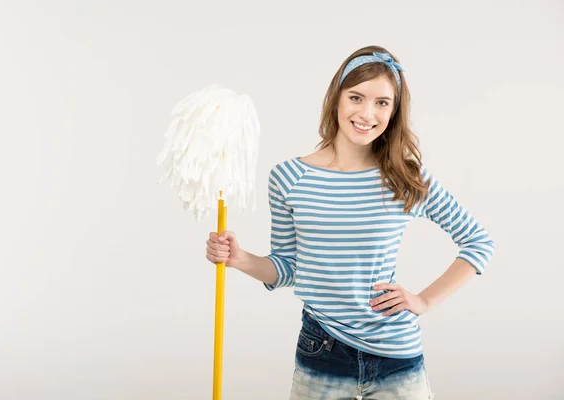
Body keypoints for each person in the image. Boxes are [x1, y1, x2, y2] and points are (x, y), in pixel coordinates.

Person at [205, 45, 495, 400]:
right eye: (356, 97)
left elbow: (478, 242)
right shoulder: (288, 178)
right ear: (337, 99)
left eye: (382, 103)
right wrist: (239, 259)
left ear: (395, 110)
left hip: (397, 360)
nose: (367, 113)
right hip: (321, 354)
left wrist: (423, 300)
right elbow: (288, 268)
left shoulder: (404, 178)